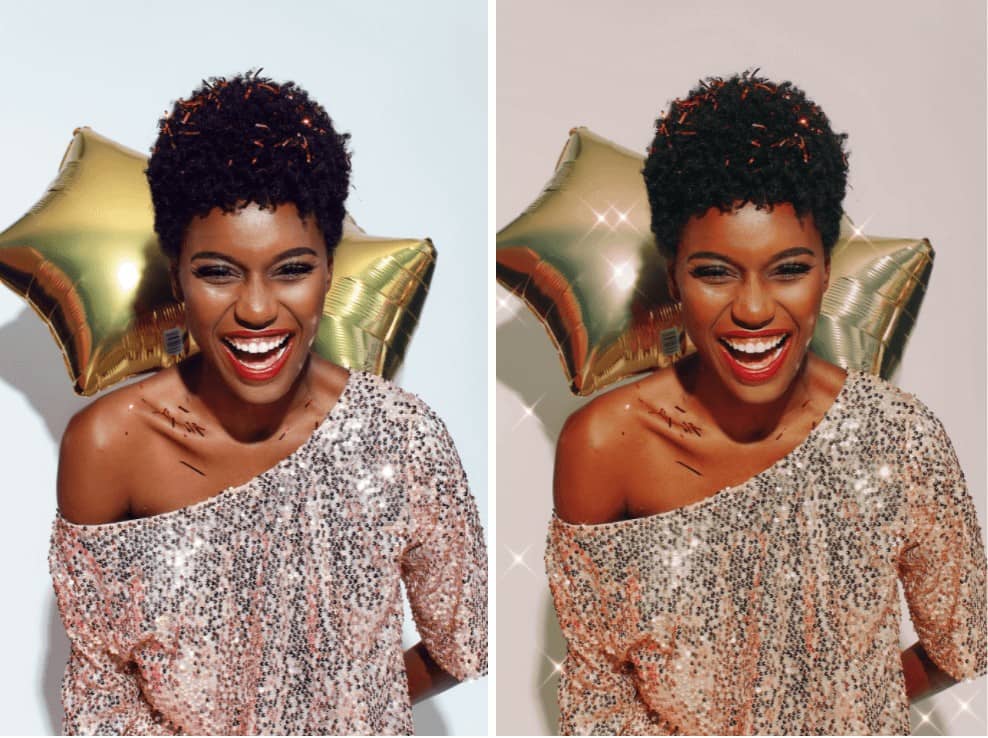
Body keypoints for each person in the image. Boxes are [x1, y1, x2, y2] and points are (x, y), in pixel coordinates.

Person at [49, 71, 487, 735]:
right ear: (176, 275)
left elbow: (462, 645)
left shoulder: (404, 440)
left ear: (331, 271)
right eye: (218, 271)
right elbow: (100, 694)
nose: (256, 309)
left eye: (291, 269)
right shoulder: (110, 446)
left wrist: (339, 706)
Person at [548, 71, 986, 735]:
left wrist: (847, 706)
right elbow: (595, 691)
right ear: (673, 275)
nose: (753, 309)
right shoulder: (607, 445)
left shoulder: (900, 438)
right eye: (715, 272)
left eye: (789, 268)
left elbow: (964, 641)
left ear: (827, 270)